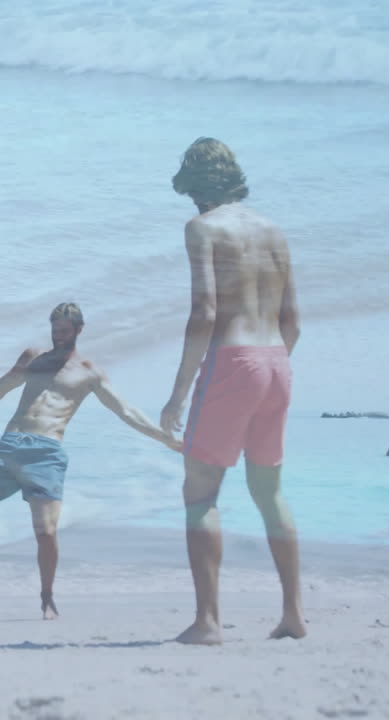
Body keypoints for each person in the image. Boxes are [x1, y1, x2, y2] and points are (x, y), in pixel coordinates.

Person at [0, 303, 180, 619]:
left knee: (45, 531)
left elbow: (125, 411)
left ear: (78, 330)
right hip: (8, 446)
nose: (58, 336)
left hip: (46, 454)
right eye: (55, 330)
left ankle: (47, 597)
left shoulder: (89, 372)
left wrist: (163, 437)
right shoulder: (33, 358)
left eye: (65, 330)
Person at [159, 137, 305, 645]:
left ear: (194, 187)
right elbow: (293, 321)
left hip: (233, 362)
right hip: (277, 362)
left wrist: (178, 394)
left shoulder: (202, 228)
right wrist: (270, 365)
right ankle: (292, 614)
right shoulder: (273, 230)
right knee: (270, 494)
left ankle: (208, 622)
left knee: (200, 494)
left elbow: (204, 313)